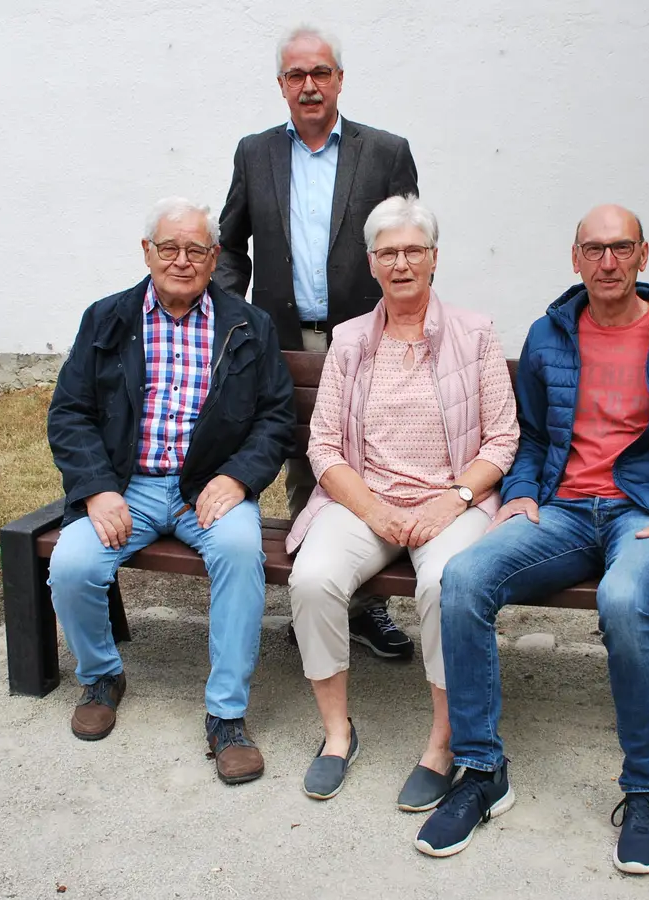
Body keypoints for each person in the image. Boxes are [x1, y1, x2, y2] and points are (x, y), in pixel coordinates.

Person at [414, 205, 649, 875]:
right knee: (463, 579)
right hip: (561, 513)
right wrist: (525, 491)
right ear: (575, 258)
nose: (608, 263)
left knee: (622, 600)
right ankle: (480, 770)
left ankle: (646, 790)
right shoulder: (550, 334)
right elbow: (531, 435)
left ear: (644, 255)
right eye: (594, 249)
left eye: (621, 249)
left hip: (644, 513)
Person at [45, 197, 295, 785]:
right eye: (169, 248)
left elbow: (276, 420)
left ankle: (227, 716)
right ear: (148, 252)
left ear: (215, 258)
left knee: (239, 553)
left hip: (205, 488)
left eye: (197, 250)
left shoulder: (248, 325)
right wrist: (98, 490)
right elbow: (70, 413)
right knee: (72, 562)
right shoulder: (106, 318)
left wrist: (236, 478)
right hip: (124, 487)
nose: (182, 260)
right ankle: (102, 675)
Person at [285, 195, 519, 806]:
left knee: (447, 586)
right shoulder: (350, 340)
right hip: (368, 502)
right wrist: (373, 510)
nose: (402, 263)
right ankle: (337, 735)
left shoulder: (475, 334)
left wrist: (457, 498)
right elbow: (325, 445)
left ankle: (442, 743)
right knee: (311, 579)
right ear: (371, 263)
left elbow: (503, 437)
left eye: (414, 250)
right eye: (388, 253)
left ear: (434, 258)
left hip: (452, 506)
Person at [215, 24, 419, 660]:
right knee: (307, 456)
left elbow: (406, 242)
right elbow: (230, 243)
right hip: (282, 337)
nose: (309, 85)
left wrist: (405, 322)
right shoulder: (255, 154)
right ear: (281, 85)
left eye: (321, 73)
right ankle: (320, 594)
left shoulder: (385, 151)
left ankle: (368, 606)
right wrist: (227, 314)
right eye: (296, 76)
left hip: (366, 332)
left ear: (338, 79)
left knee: (372, 458)